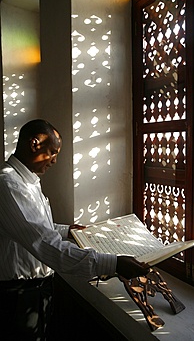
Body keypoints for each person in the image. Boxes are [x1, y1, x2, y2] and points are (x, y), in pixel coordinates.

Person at [0, 119, 149, 340]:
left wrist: (67, 230)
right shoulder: (9, 184)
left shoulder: (28, 181)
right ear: (35, 144)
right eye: (52, 152)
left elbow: (35, 229)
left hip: (38, 289)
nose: (54, 160)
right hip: (20, 295)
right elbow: (43, 243)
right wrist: (113, 263)